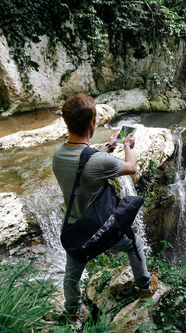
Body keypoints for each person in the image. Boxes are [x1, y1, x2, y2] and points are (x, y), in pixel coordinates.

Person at [52, 93, 158, 317]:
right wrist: (127, 145)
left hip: (75, 231)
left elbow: (84, 162)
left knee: (71, 275)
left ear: (66, 123)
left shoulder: (58, 155)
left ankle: (71, 312)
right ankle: (145, 289)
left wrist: (110, 147)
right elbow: (131, 167)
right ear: (92, 124)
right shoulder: (99, 162)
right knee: (134, 244)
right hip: (103, 229)